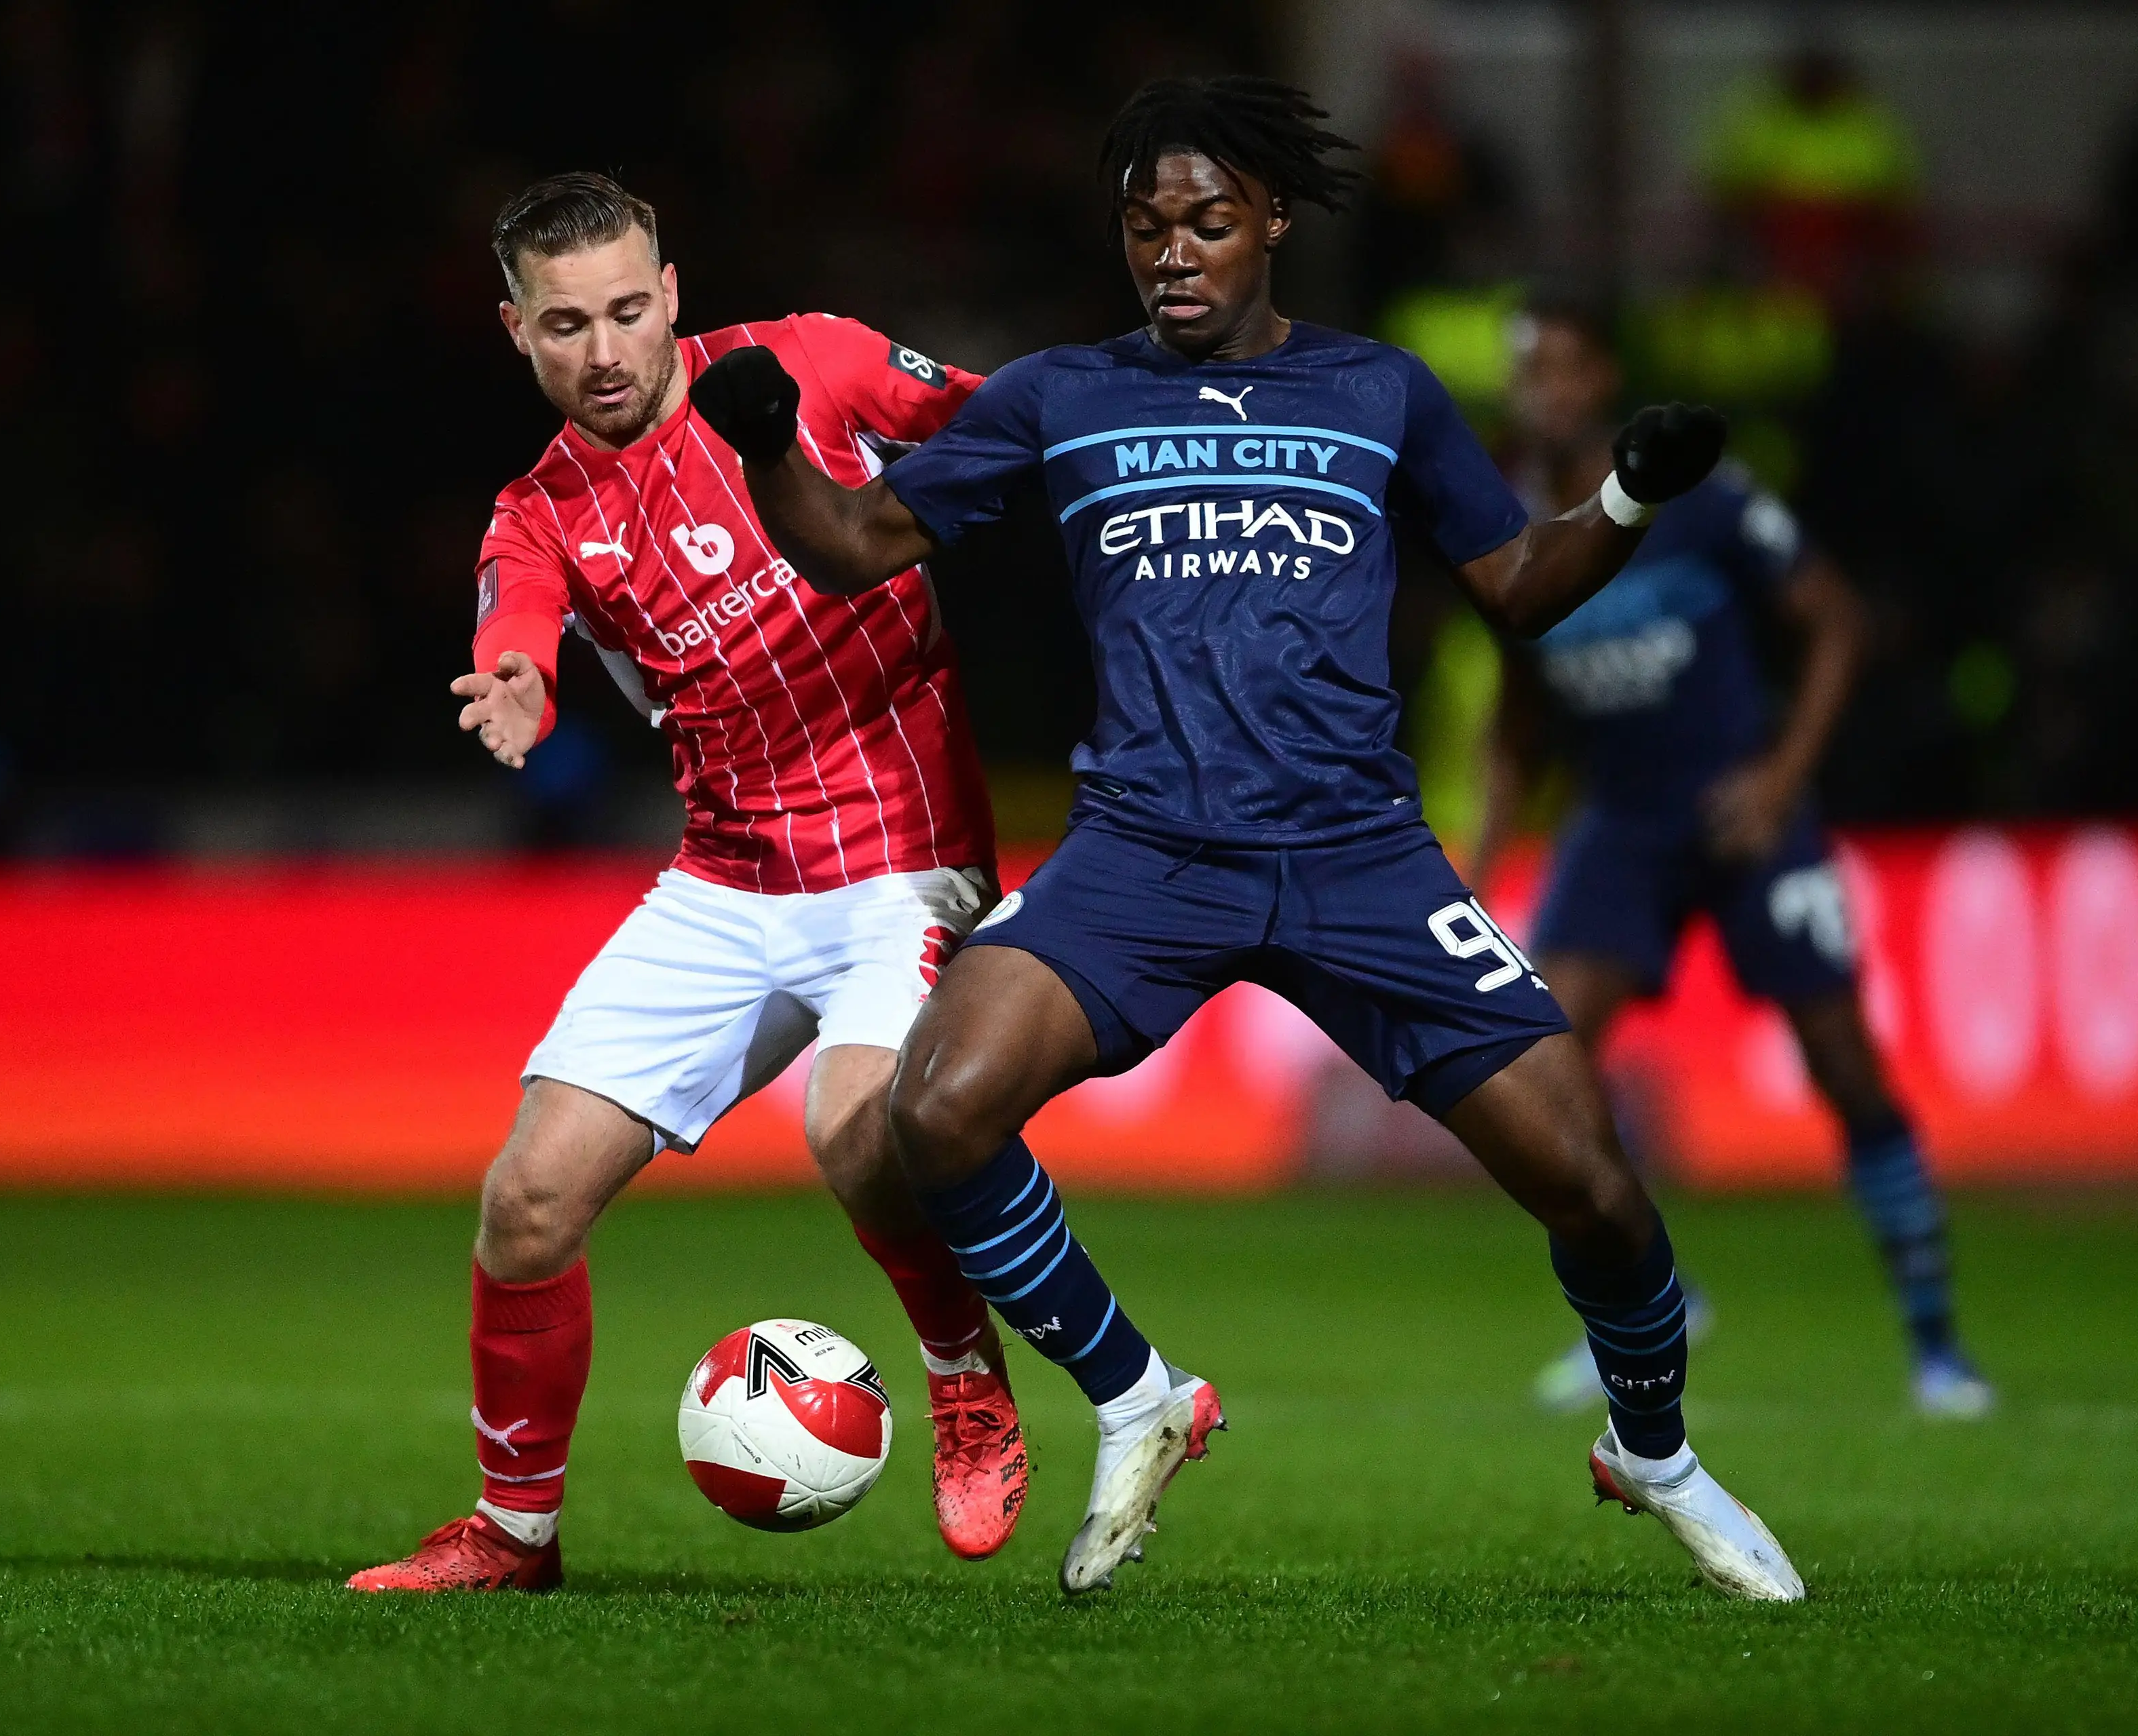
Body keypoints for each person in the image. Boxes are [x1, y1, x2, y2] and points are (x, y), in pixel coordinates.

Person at [690, 78, 1806, 1602]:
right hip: (1147, 851)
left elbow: (1523, 585)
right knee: (933, 1111)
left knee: (1597, 1187)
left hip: (1359, 854)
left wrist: (1624, 490)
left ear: (1272, 222)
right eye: (1148, 227)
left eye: (1209, 222)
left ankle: (1656, 1453)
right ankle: (1138, 1393)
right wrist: (769, 450)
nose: (1175, 252)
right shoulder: (1058, 396)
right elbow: (853, 546)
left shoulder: (1383, 391)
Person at [349, 172, 1027, 1594]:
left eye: (623, 310)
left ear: (670, 292)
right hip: (728, 879)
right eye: (563, 324)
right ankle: (513, 1534)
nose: (602, 351)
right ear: (515, 333)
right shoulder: (538, 512)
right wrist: (521, 681)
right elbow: (514, 617)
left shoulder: (811, 365)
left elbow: (1006, 420)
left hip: (905, 858)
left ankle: (966, 1379)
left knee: (857, 1128)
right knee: (526, 1199)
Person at [1472, 300, 1992, 1420]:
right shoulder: (1508, 523)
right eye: (1527, 373)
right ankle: (1652, 1303)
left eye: (1561, 369)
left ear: (1602, 376)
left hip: (1738, 810)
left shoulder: (1698, 498)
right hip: (1618, 820)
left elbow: (1836, 620)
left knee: (1847, 1070)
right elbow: (1515, 725)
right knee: (1537, 1076)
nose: (1542, 393)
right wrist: (1471, 866)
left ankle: (1938, 1345)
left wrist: (1780, 776)